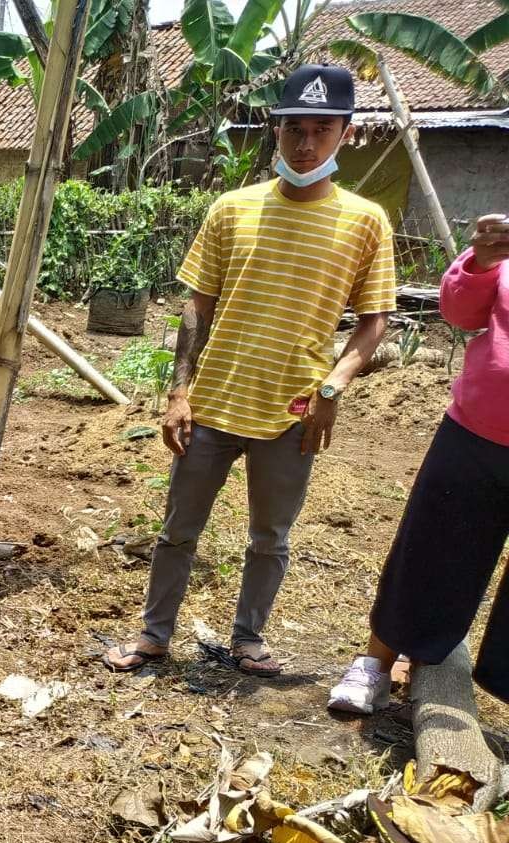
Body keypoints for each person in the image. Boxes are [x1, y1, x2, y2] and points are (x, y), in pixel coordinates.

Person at [101, 64, 395, 677]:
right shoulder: (232, 210)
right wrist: (179, 393)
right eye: (294, 128)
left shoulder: (366, 221)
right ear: (276, 130)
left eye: (322, 129)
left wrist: (334, 386)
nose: (306, 144)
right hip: (213, 403)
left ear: (346, 133)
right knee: (178, 530)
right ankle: (154, 634)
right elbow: (196, 306)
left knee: (270, 537)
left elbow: (373, 322)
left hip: (294, 411)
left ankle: (249, 638)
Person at [329, 214, 509, 713]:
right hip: (476, 430)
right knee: (431, 548)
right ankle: (376, 664)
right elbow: (460, 314)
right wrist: (480, 263)